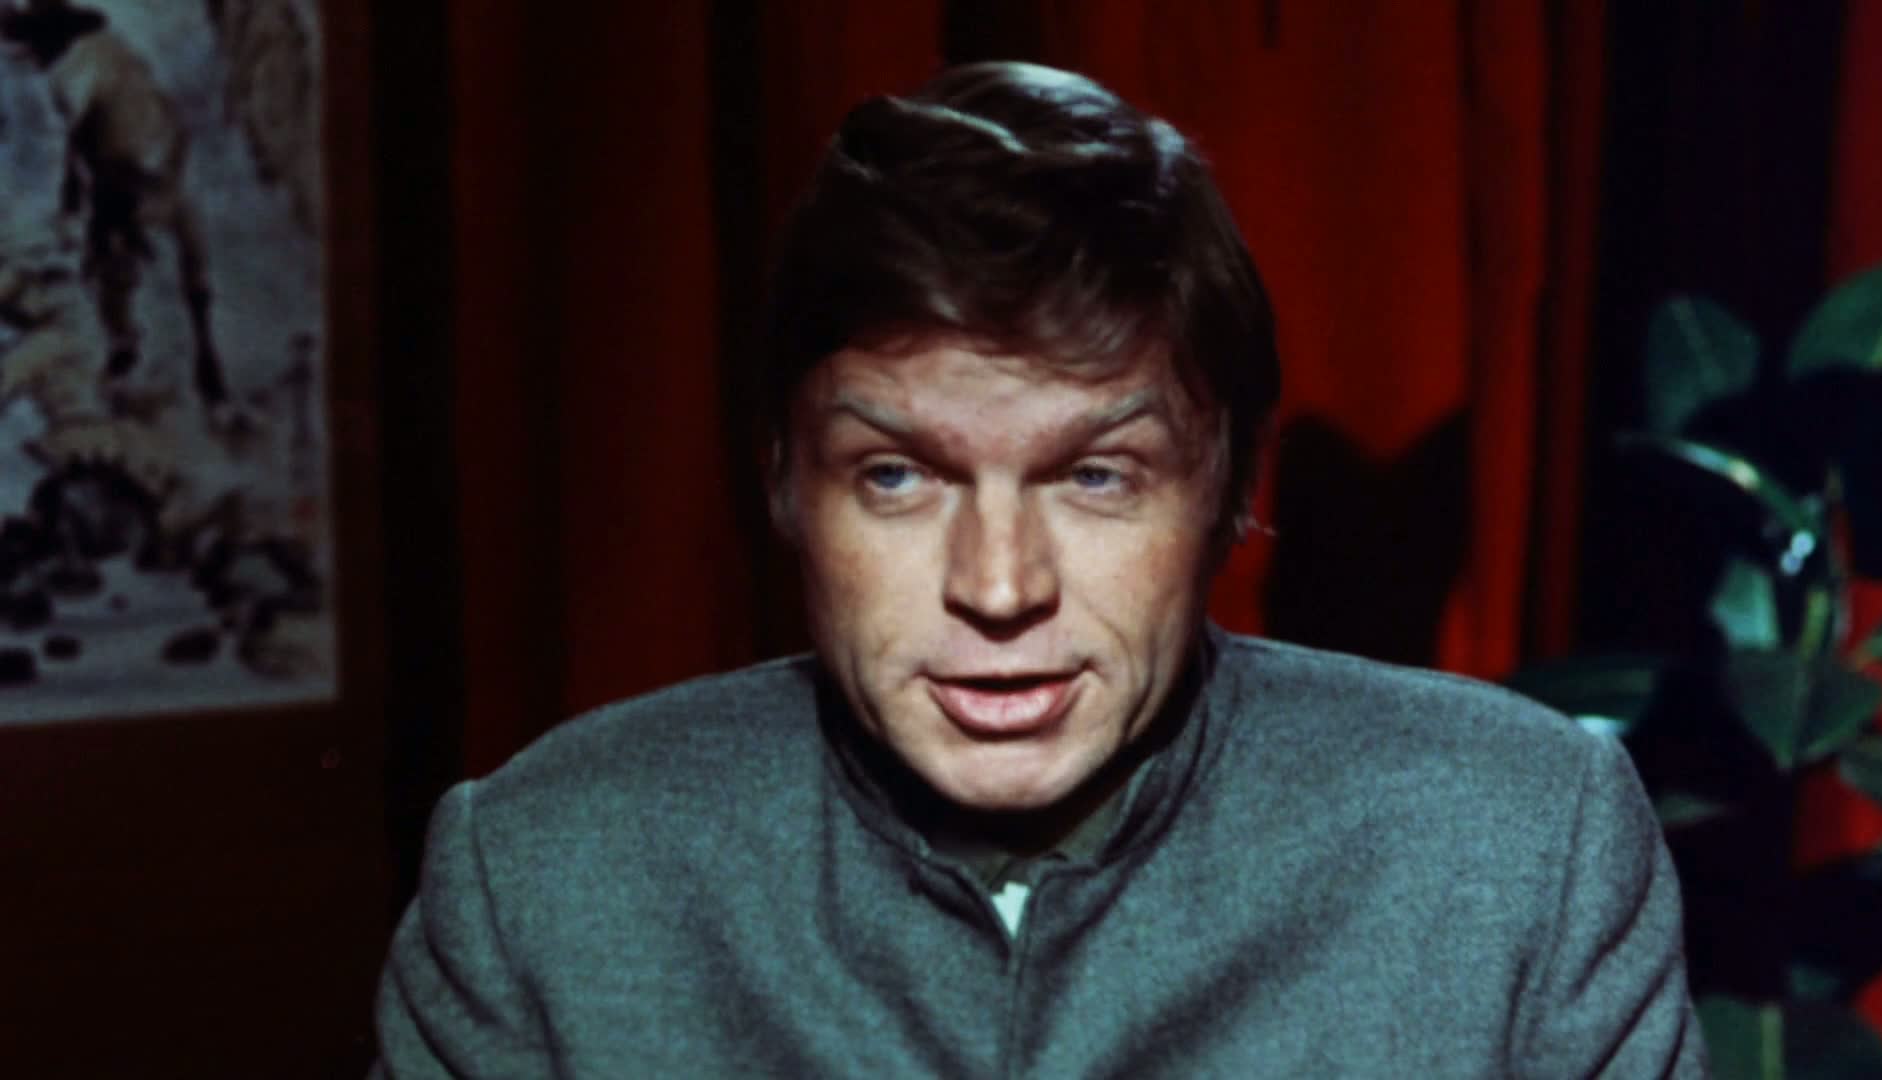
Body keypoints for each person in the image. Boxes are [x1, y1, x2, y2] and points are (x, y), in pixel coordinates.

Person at [373, 61, 1705, 1077]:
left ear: (1232, 489)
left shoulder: (1519, 851)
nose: (1000, 588)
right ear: (781, 480)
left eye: (1096, 476)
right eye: (897, 477)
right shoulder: (542, 882)